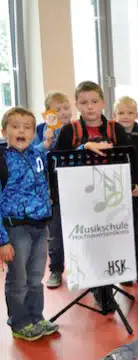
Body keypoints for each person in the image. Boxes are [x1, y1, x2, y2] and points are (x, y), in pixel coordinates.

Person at [0, 107, 57, 341]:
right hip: (15, 228)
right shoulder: (2, 159)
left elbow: (50, 150)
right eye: (15, 127)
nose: (21, 131)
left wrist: (84, 148)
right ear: (4, 131)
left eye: (27, 127)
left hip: (39, 226)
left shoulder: (36, 154)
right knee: (18, 279)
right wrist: (2, 240)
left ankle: (36, 316)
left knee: (35, 276)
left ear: (34, 133)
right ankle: (19, 322)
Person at [114, 96, 138, 282]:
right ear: (115, 115)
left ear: (137, 115)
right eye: (121, 113)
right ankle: (123, 268)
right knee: (121, 231)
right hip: (117, 193)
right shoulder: (111, 136)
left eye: (130, 113)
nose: (125, 116)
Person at [37, 92, 72, 289]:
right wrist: (45, 144)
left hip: (75, 187)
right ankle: (56, 269)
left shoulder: (76, 129)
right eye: (57, 110)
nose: (63, 112)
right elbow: (33, 156)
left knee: (80, 229)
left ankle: (81, 268)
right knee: (55, 233)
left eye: (66, 108)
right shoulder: (41, 130)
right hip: (51, 190)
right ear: (48, 113)